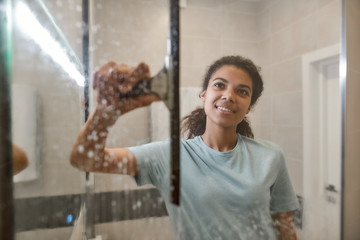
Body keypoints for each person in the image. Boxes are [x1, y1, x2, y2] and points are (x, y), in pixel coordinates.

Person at [70, 56, 300, 240]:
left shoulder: (270, 156)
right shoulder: (170, 156)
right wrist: (107, 111)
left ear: (249, 106)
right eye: (219, 85)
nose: (229, 96)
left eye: (242, 91)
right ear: (204, 95)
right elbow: (84, 159)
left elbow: (284, 224)